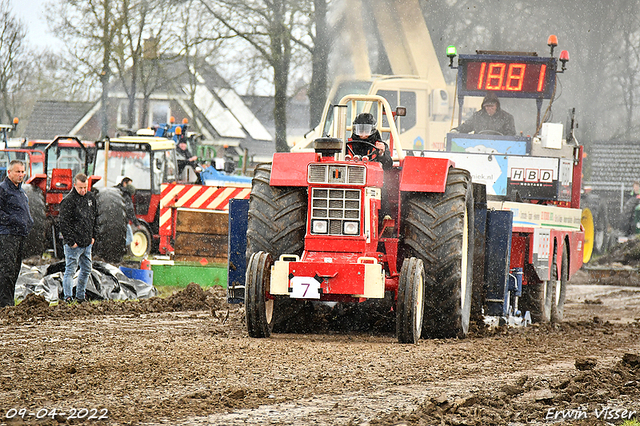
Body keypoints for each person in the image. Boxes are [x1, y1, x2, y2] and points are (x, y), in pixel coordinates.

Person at [59, 173, 98, 303]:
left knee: (86, 269)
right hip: (74, 244)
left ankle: (80, 296)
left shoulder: (91, 198)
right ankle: (68, 297)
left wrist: (93, 236)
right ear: (74, 185)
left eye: (85, 187)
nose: (83, 190)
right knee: (70, 270)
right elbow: (64, 223)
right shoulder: (68, 201)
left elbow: (95, 218)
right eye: (80, 187)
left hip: (87, 243)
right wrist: (71, 242)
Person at [0, 160, 34, 307]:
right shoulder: (3, 190)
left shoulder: (21, 191)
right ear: (9, 172)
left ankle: (9, 301)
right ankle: (5, 304)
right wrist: (11, 220)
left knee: (15, 270)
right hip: (7, 235)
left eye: (22, 171)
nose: (21, 175)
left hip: (20, 235)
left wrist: (29, 221)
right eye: (17, 172)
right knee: (6, 269)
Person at [115, 177, 141, 247]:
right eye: (129, 184)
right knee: (130, 239)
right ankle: (118, 248)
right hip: (123, 221)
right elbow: (130, 211)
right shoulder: (126, 195)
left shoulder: (115, 191)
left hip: (114, 220)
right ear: (124, 183)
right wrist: (136, 223)